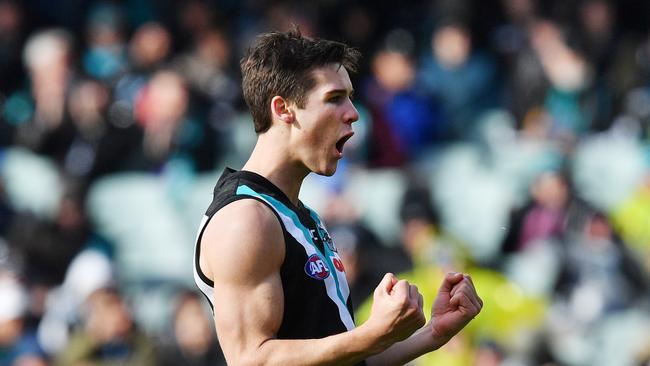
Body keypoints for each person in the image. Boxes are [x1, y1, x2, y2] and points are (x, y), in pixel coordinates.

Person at [193, 28, 483, 365]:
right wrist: (371, 334)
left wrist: (433, 333)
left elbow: (343, 359)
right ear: (283, 109)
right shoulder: (246, 220)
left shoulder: (299, 214)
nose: (353, 112)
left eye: (350, 97)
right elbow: (252, 360)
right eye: (334, 98)